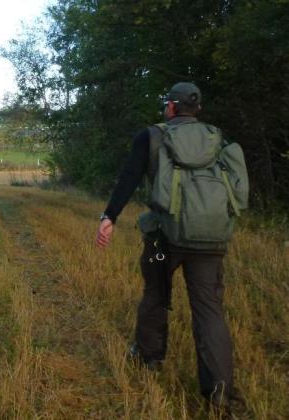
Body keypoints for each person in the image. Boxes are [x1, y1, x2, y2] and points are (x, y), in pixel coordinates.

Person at [95, 82, 241, 411]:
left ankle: (149, 358)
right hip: (210, 237)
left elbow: (128, 178)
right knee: (210, 312)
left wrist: (109, 217)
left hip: (165, 236)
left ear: (172, 107)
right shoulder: (217, 138)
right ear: (198, 110)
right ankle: (219, 392)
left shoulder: (152, 136)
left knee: (156, 295)